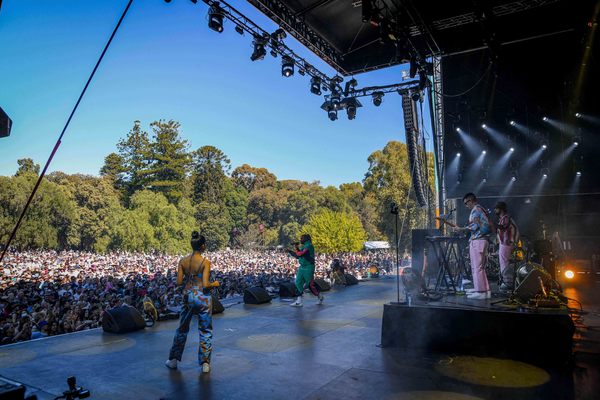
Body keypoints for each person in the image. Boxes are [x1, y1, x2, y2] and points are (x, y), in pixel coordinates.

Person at [165, 232, 219, 373]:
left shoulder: (182, 261)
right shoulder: (205, 262)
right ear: (203, 246)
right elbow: (206, 284)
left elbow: (178, 282)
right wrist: (215, 283)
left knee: (182, 328)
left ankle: (173, 360)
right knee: (205, 330)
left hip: (188, 296)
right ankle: (205, 364)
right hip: (203, 298)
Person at [460, 193, 492, 299]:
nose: (466, 206)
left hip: (478, 240)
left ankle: (481, 291)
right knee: (480, 267)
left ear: (470, 200)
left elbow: (473, 226)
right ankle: (485, 290)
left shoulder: (475, 210)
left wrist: (460, 229)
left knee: (476, 267)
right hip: (483, 240)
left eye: (466, 203)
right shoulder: (481, 209)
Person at [288, 234, 323, 307]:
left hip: (309, 267)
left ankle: (319, 296)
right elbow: (298, 256)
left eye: (302, 238)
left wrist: (295, 247)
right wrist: (290, 251)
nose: (300, 240)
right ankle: (299, 301)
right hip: (302, 267)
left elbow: (300, 253)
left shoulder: (309, 246)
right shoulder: (304, 246)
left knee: (310, 284)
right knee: (298, 282)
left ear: (306, 239)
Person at [494, 201, 519, 292]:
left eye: (496, 208)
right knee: (504, 263)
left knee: (504, 264)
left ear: (500, 209)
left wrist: (493, 224)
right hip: (505, 244)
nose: (495, 210)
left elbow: (504, 227)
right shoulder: (505, 218)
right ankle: (507, 282)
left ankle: (507, 284)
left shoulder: (506, 218)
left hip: (506, 244)